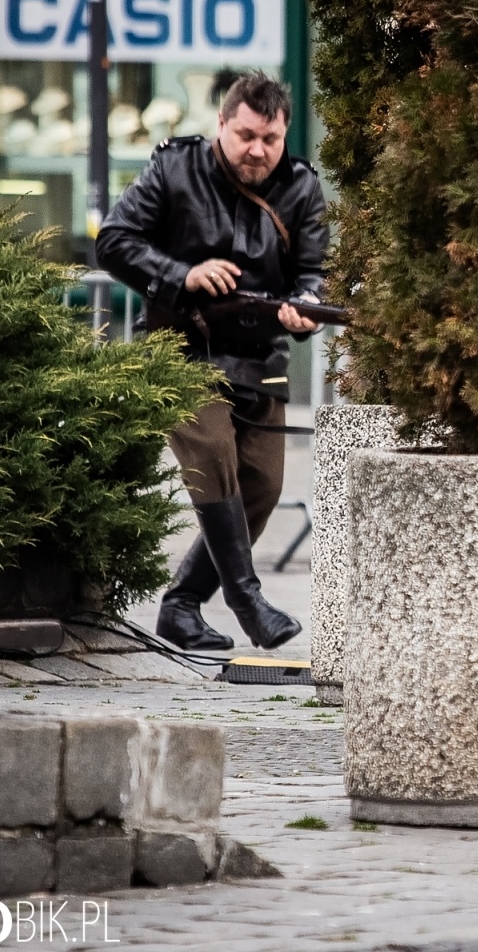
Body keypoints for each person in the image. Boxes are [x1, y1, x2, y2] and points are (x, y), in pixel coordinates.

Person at [95, 71, 327, 651]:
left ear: (285, 134)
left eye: (270, 139)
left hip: (260, 356)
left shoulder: (301, 187)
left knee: (263, 487)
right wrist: (183, 274)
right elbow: (114, 240)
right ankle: (248, 601)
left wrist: (307, 306)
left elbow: (313, 275)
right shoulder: (175, 168)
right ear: (220, 124)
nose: (258, 150)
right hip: (179, 348)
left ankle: (181, 605)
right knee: (213, 453)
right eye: (246, 135)